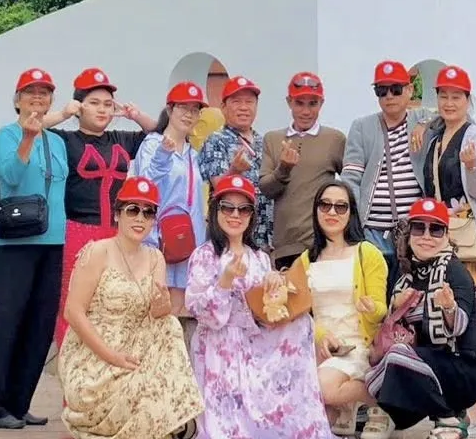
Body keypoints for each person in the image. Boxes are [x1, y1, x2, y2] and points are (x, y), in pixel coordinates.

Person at [184, 174, 351, 439]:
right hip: (220, 343)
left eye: (243, 209)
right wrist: (225, 281)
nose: (235, 215)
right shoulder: (204, 256)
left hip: (256, 339)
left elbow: (268, 311)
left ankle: (297, 419)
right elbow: (205, 315)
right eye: (227, 207)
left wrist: (276, 284)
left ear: (252, 215)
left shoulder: (259, 258)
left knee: (301, 323)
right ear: (216, 211)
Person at [56, 176, 203, 439]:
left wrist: (162, 305)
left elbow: (158, 315)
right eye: (133, 210)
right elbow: (73, 312)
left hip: (134, 350)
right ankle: (155, 418)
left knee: (170, 325)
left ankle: (165, 415)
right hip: (95, 356)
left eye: (148, 212)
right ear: (117, 214)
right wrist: (111, 356)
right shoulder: (97, 252)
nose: (140, 218)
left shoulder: (155, 257)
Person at [413, 64, 476, 434]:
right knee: (449, 322)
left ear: (468, 100)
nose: (449, 102)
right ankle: (457, 403)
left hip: (472, 246)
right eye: (444, 96)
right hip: (444, 242)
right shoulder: (436, 136)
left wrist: (471, 168)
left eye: (457, 96)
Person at [0, 67, 70, 431]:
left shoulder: (58, 142)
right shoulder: (7, 135)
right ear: (17, 100)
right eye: (30, 92)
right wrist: (27, 139)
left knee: (40, 323)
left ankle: (20, 402)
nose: (37, 97)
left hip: (52, 240)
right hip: (13, 242)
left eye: (44, 93)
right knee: (9, 320)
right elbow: (10, 176)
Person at [365, 198, 476, 439]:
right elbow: (398, 329)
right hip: (430, 364)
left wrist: (449, 308)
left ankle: (449, 421)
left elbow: (460, 328)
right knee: (373, 374)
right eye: (419, 228)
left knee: (397, 356)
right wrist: (396, 306)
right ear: (409, 233)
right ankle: (452, 416)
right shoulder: (405, 274)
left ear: (446, 235)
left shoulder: (454, 271)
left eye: (436, 229)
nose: (426, 236)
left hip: (463, 367)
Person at [49, 67, 155, 342]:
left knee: (113, 304)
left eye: (108, 104)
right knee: (74, 302)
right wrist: (63, 113)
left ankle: (109, 362)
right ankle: (73, 363)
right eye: (94, 103)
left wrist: (135, 115)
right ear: (80, 106)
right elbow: (32, 127)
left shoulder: (121, 138)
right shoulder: (65, 140)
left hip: (117, 234)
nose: (102, 110)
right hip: (78, 231)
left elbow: (159, 132)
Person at [301, 179, 388, 439]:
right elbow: (300, 312)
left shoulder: (367, 253)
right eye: (325, 205)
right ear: (316, 210)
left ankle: (382, 398)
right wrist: (320, 337)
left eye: (341, 207)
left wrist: (371, 308)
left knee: (321, 389)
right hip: (321, 348)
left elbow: (381, 311)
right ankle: (344, 408)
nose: (332, 212)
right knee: (306, 412)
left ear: (351, 212)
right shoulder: (307, 259)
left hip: (356, 347)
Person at [132, 82, 207, 309]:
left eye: (195, 110)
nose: (189, 114)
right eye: (183, 107)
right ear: (169, 109)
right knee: (151, 309)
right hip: (157, 240)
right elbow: (145, 185)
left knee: (177, 313)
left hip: (188, 243)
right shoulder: (152, 144)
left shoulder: (194, 154)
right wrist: (163, 155)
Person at [261, 73, 347, 269]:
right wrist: (284, 168)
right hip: (286, 246)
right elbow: (266, 189)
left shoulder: (335, 139)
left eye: (312, 104)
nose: (306, 111)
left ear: (321, 103)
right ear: (289, 102)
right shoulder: (273, 139)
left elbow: (350, 187)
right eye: (299, 103)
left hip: (324, 243)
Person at [343, 59, 422, 259]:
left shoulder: (421, 120)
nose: (389, 96)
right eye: (381, 90)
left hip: (414, 231)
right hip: (372, 231)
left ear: (409, 90)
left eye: (395, 89)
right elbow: (351, 179)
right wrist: (355, 226)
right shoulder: (362, 127)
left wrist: (425, 124)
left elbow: (460, 119)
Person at [197, 76, 270, 250]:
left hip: (263, 235)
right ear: (223, 107)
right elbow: (219, 187)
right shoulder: (216, 140)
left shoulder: (264, 141)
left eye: (249, 102)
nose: (244, 107)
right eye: (237, 102)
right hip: (228, 236)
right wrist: (234, 171)